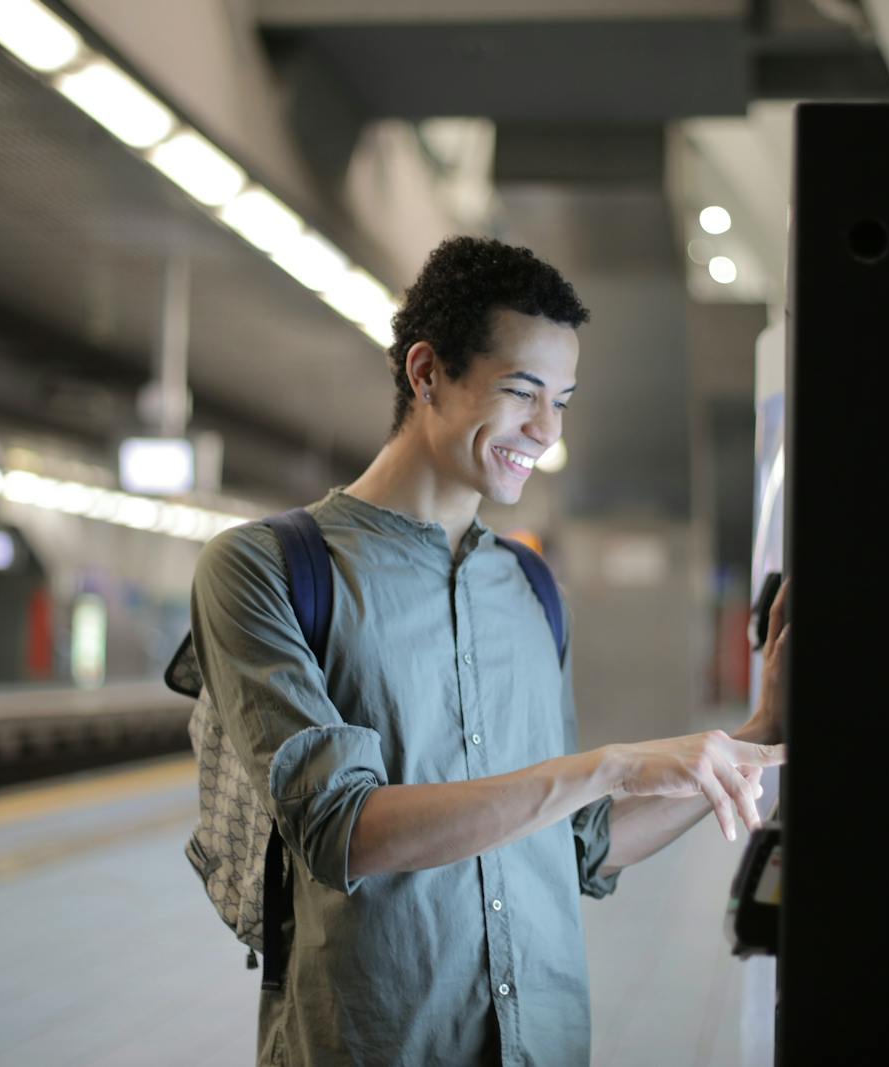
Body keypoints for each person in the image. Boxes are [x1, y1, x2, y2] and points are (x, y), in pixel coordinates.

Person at [189, 236, 788, 1065]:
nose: (546, 429)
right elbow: (342, 828)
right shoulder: (269, 568)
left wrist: (756, 733)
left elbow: (578, 847)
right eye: (521, 391)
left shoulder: (532, 587)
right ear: (427, 372)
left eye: (563, 400)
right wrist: (610, 765)